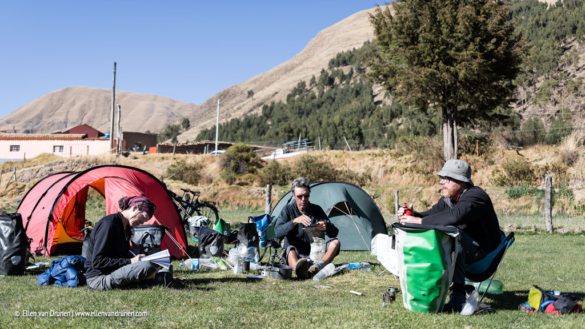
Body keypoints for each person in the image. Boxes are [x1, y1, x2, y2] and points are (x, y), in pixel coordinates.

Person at [399, 159, 502, 312]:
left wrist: (419, 220)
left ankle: (458, 298)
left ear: (460, 182)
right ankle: (426, 289)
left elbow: (454, 217)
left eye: (446, 179)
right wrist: (411, 215)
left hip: (484, 255)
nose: (441, 182)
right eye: (441, 178)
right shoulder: (448, 200)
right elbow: (430, 216)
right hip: (466, 249)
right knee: (444, 230)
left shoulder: (476, 196)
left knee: (453, 233)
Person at [84, 195, 159, 290]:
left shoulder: (126, 227)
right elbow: (98, 261)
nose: (142, 222)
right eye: (143, 217)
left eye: (145, 220)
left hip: (113, 271)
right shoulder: (109, 224)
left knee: (152, 263)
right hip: (98, 278)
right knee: (147, 266)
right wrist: (131, 261)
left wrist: (138, 258)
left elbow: (120, 255)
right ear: (135, 208)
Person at [274, 177, 341, 279]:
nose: (303, 199)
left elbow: (334, 233)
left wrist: (326, 226)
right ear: (293, 196)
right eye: (299, 196)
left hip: (317, 254)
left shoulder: (316, 209)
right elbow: (277, 232)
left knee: (335, 243)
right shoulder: (287, 210)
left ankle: (318, 267)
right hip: (296, 254)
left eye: (306, 196)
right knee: (289, 249)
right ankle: (299, 269)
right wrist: (294, 221)